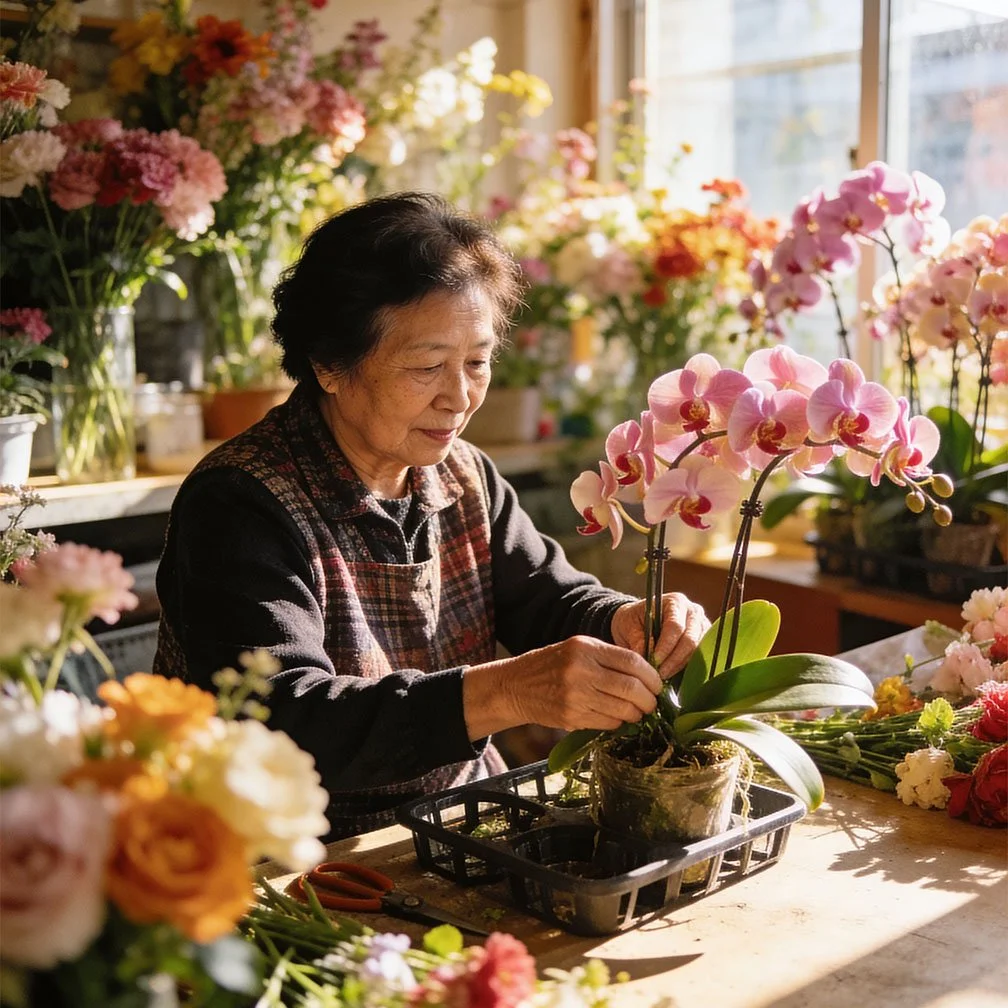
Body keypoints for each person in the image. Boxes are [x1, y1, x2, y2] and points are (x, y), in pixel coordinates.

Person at [155, 192, 709, 841]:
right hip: (291, 848)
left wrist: (624, 621)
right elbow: (283, 719)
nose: (460, 397)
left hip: (452, 817)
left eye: (476, 362)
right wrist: (502, 693)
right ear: (330, 365)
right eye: (426, 367)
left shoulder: (462, 474)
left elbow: (545, 597)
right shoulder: (242, 502)